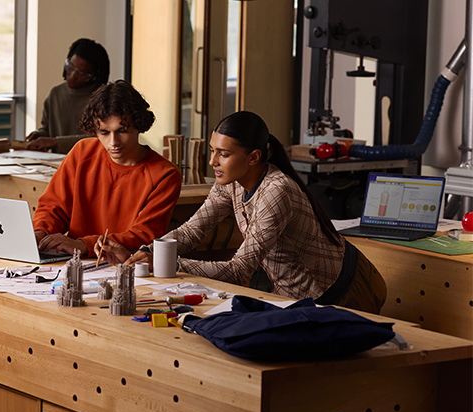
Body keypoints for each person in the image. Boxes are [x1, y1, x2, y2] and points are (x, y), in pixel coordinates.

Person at [96, 111, 387, 314]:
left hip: (344, 292)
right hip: (297, 297)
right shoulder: (231, 181)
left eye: (223, 153)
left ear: (254, 157)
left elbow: (238, 271)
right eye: (212, 151)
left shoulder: (277, 191)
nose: (212, 161)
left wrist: (163, 264)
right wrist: (147, 251)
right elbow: (192, 230)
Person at [33, 80, 182, 258]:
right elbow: (53, 207)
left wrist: (83, 245)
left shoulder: (165, 175)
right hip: (71, 262)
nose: (113, 142)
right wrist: (40, 232)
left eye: (122, 131)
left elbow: (143, 234)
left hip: (124, 267)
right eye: (104, 132)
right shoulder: (82, 152)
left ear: (139, 126)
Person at [25, 38, 110, 154]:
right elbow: (47, 130)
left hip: (89, 162)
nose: (72, 76)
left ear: (93, 76)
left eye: (81, 74)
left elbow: (97, 139)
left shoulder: (102, 99)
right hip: (56, 163)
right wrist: (38, 135)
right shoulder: (56, 94)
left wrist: (55, 142)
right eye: (70, 67)